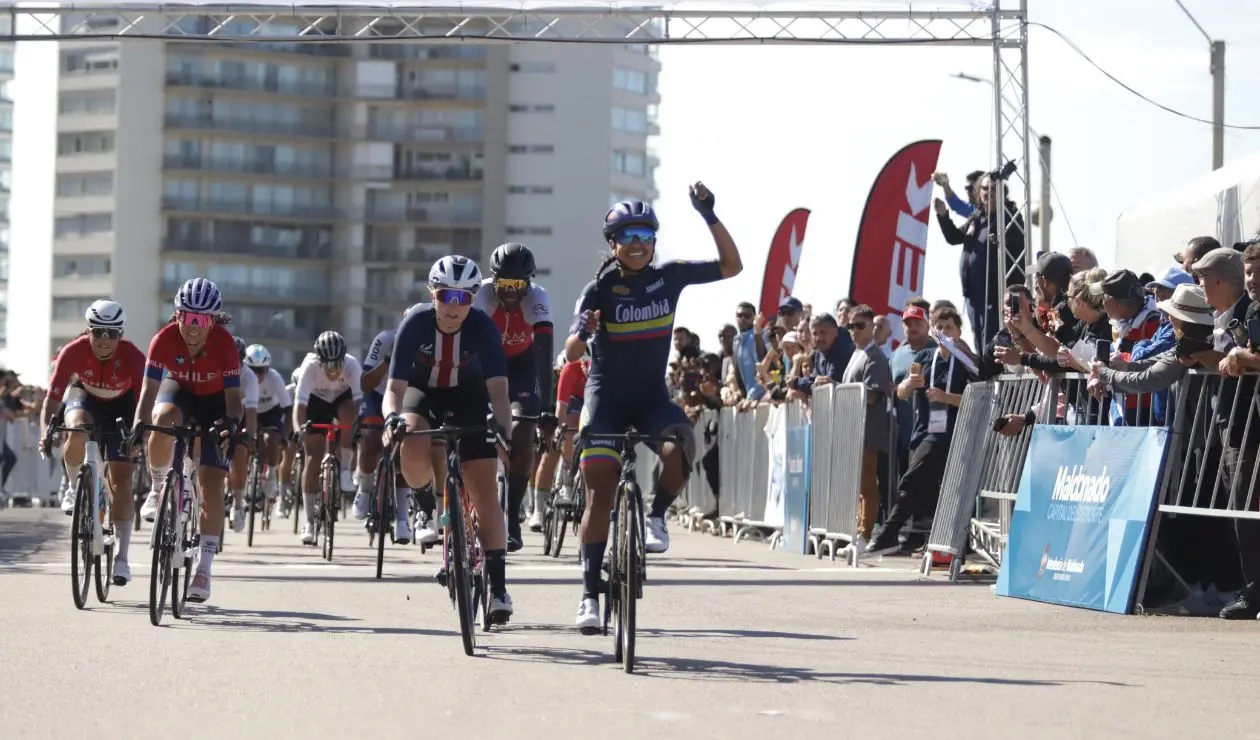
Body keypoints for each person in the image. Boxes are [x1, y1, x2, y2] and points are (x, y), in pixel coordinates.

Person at [564, 185, 742, 632]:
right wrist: (583, 331)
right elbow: (569, 353)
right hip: (605, 399)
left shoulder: (671, 275)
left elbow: (731, 266)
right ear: (613, 244)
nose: (638, 242)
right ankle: (588, 593)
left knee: (682, 442)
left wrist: (708, 215)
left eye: (645, 232)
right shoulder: (599, 288)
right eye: (627, 235)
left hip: (649, 399)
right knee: (599, 491)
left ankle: (657, 516)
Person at [384, 255, 516, 622]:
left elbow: (500, 392)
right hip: (424, 394)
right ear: (432, 294)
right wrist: (390, 419)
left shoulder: (483, 328)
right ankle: (425, 506)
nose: (454, 307)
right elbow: (393, 388)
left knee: (485, 491)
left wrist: (504, 432)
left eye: (464, 298)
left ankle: (499, 586)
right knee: (409, 438)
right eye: (446, 296)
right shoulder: (415, 322)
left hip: (470, 398)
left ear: (474, 299)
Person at [132, 278, 243, 603]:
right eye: (187, 317)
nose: (194, 326)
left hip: (214, 403)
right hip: (178, 391)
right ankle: (156, 488)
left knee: (210, 485)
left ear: (212, 321)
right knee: (161, 419)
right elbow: (149, 392)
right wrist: (140, 423)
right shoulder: (163, 340)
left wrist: (231, 423)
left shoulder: (223, 344)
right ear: (177, 315)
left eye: (202, 320)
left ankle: (204, 569)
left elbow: (234, 398)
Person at [39, 300, 145, 585]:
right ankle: (75, 486)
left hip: (122, 407)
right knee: (76, 427)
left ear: (120, 334)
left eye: (111, 333)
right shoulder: (73, 351)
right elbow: (51, 399)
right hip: (84, 398)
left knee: (121, 482)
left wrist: (139, 435)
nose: (104, 340)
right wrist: (44, 433)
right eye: (98, 332)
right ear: (89, 331)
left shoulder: (134, 357)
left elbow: (142, 403)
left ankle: (122, 557)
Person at [473, 242, 556, 551]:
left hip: (523, 366)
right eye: (503, 284)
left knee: (523, 431)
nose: (509, 291)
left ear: (528, 283)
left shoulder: (538, 299)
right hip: (487, 364)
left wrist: (546, 407)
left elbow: (544, 356)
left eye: (517, 285)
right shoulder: (481, 295)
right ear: (493, 280)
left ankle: (512, 515)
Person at [355, 306, 436, 546]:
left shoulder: (432, 343)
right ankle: (365, 489)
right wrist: (387, 363)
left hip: (408, 397)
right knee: (370, 439)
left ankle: (402, 519)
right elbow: (365, 383)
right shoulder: (385, 339)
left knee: (405, 446)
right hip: (379, 396)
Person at [292, 331, 363, 545]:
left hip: (342, 399)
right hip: (316, 402)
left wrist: (357, 426)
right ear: (319, 361)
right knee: (313, 458)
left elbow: (361, 402)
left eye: (337, 364)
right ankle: (309, 522)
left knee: (350, 415)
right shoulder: (309, 367)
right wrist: (299, 430)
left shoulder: (352, 366)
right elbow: (299, 407)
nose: (333, 370)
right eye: (328, 365)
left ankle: (344, 471)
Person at [529, 351, 589, 531]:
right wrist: (557, 435)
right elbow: (561, 410)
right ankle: (538, 510)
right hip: (569, 404)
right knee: (552, 451)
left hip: (590, 402)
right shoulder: (570, 370)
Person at [243, 344, 290, 508]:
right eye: (252, 370)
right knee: (244, 444)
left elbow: (288, 408)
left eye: (261, 370)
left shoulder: (275, 378)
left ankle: (270, 474)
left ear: (268, 369)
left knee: (271, 440)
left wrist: (284, 434)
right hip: (250, 411)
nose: (257, 375)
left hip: (271, 412)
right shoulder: (243, 377)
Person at [225, 336, 259, 533]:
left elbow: (252, 412)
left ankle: (238, 503)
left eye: (237, 360)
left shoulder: (249, 377)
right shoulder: (216, 369)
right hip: (217, 411)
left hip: (241, 415)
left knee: (239, 454)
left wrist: (251, 436)